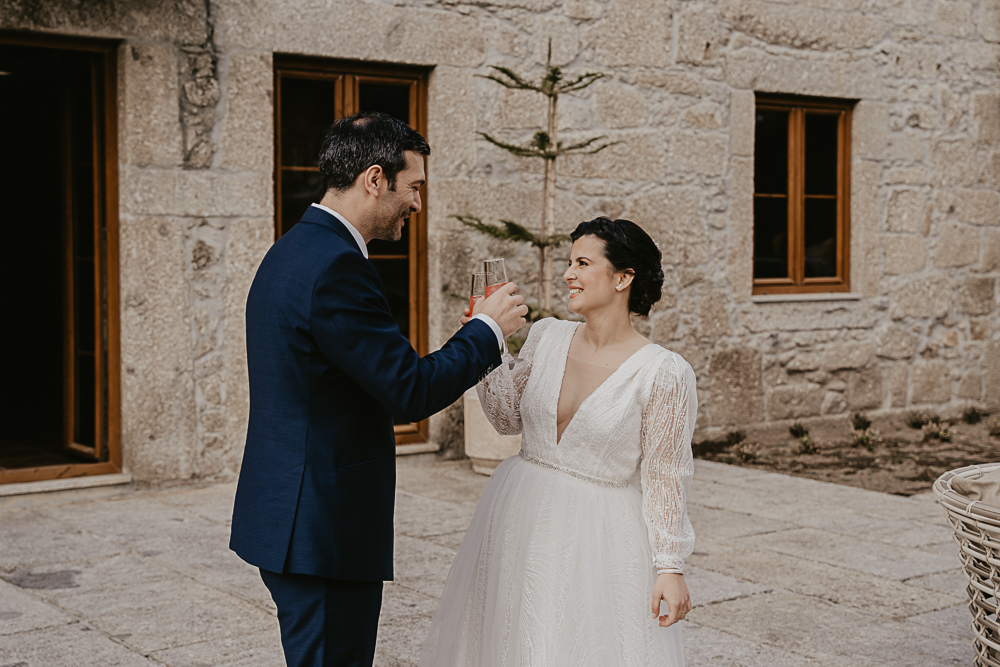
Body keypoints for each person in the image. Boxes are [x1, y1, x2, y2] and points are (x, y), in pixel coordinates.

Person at [229, 111, 528, 667]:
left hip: (291, 515)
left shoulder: (293, 249)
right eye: (413, 186)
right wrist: (488, 330)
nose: (418, 203)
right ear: (374, 179)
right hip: (321, 530)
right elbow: (410, 390)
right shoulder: (337, 268)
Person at [420, 217, 697, 666]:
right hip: (520, 512)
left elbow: (667, 475)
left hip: (598, 534)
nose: (568, 274)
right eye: (570, 262)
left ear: (623, 278)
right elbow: (506, 418)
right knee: (509, 636)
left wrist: (670, 566)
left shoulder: (664, 372)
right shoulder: (547, 335)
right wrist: (489, 343)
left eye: (582, 263)